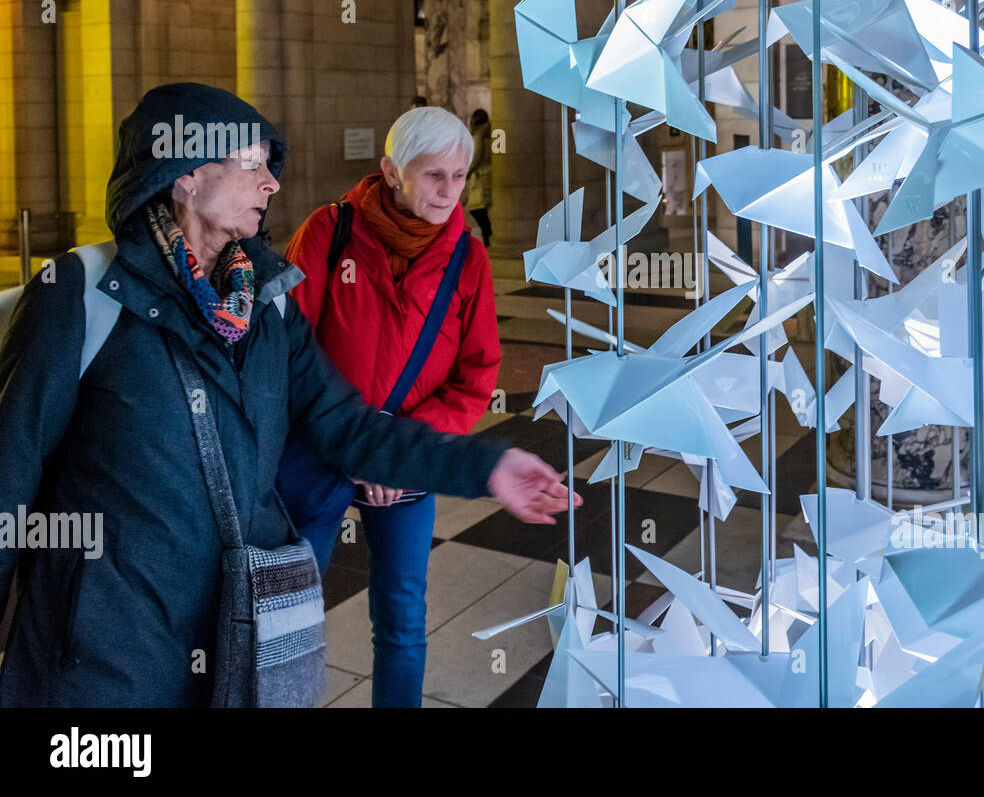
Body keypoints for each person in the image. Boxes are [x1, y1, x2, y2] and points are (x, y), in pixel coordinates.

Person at [0, 83, 577, 707]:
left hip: (234, 639)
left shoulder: (267, 306)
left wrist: (488, 466)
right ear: (186, 175)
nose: (271, 184)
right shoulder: (83, 295)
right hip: (105, 658)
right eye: (253, 165)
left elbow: (349, 427)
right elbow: (9, 474)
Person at [280, 106, 499, 707]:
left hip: (404, 463)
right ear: (391, 170)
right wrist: (349, 441)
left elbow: (477, 376)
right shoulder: (331, 231)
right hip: (320, 452)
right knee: (288, 613)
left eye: (460, 177)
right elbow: (288, 351)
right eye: (434, 176)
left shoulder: (468, 259)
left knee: (402, 619)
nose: (449, 192)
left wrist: (396, 453)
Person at [465, 109, 492, 248]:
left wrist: (467, 172)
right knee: (482, 208)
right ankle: (488, 235)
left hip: (480, 176)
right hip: (487, 174)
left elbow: (476, 157)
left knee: (476, 208)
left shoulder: (478, 136)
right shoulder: (491, 133)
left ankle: (488, 235)